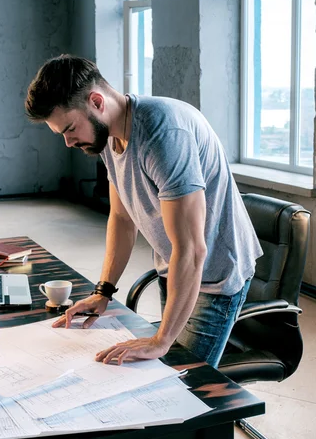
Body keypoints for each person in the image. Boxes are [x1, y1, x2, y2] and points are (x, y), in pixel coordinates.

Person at [25, 54, 263, 368]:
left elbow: (192, 249)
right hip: (176, 269)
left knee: (183, 385)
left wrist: (161, 340)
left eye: (70, 129)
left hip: (214, 277)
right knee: (156, 370)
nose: (68, 142)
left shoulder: (163, 135)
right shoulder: (110, 135)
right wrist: (103, 292)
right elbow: (122, 219)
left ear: (97, 102)